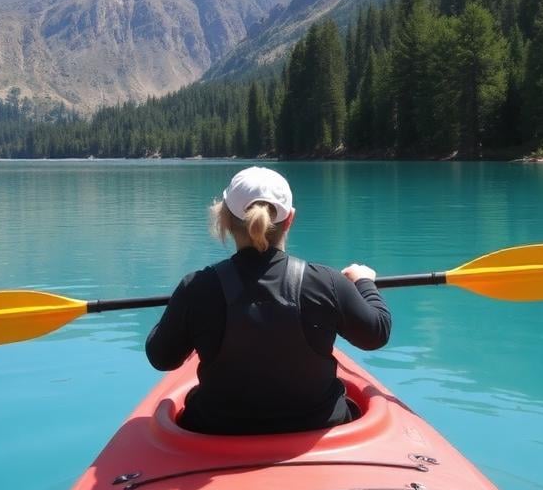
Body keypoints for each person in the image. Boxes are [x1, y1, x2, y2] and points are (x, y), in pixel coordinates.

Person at [145, 166, 392, 435]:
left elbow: (161, 358)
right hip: (318, 428)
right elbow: (376, 333)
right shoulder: (328, 282)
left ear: (225, 220)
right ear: (290, 220)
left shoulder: (196, 287)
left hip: (217, 431)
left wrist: (182, 312)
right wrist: (364, 282)